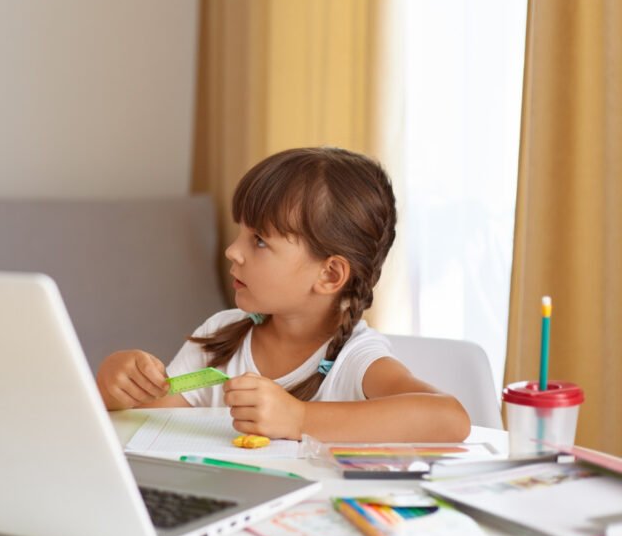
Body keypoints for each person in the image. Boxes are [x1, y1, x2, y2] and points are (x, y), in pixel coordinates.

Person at [95, 147, 471, 443]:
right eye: (241, 232)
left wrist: (300, 418)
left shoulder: (353, 359)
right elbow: (149, 421)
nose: (232, 251)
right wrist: (116, 386)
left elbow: (449, 418)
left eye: (259, 241)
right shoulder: (220, 339)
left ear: (329, 274)